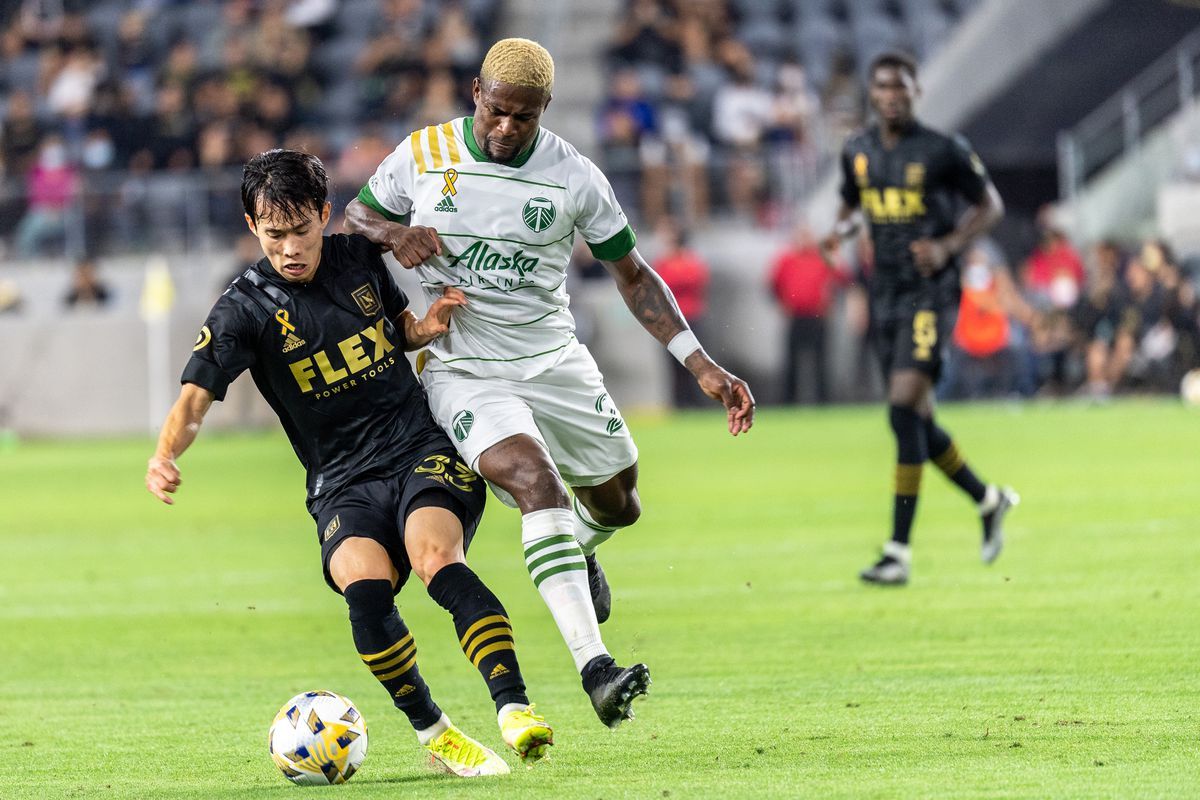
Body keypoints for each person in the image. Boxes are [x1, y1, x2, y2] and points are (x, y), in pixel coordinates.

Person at [345, 38, 755, 727]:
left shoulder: (574, 176)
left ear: (545, 110)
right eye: (498, 112)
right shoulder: (422, 155)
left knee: (621, 504)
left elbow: (633, 275)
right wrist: (391, 234)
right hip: (465, 367)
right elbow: (353, 216)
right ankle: (597, 669)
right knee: (537, 481)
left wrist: (701, 362)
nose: (507, 129)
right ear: (476, 91)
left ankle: (577, 547)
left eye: (524, 118)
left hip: (554, 359)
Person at [144, 150, 552, 777]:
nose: (289, 249)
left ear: (324, 217)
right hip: (341, 481)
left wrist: (424, 328)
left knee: (435, 558)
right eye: (273, 234)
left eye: (301, 230)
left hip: (419, 444)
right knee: (363, 590)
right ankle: (435, 732)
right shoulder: (243, 310)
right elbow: (194, 399)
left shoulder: (359, 259)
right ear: (253, 225)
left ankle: (514, 708)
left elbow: (397, 331)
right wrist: (166, 454)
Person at [821, 52, 1017, 586]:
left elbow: (991, 205)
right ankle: (987, 499)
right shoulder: (857, 150)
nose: (891, 95)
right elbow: (848, 204)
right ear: (872, 92)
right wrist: (838, 232)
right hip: (883, 291)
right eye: (882, 87)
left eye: (901, 87)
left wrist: (950, 245)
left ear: (916, 92)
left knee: (903, 402)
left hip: (930, 292)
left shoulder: (942, 149)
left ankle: (897, 551)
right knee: (910, 419)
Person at [769, 222, 849, 404]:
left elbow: (843, 278)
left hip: (818, 316)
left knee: (821, 362)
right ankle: (788, 401)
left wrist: (831, 301)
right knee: (792, 362)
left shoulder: (822, 257)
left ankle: (823, 401)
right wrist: (783, 303)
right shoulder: (787, 259)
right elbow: (774, 284)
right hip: (796, 316)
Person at [651, 218, 711, 408]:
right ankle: (680, 404)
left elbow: (690, 282)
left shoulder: (687, 261)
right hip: (671, 321)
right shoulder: (667, 262)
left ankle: (697, 403)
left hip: (689, 317)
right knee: (674, 367)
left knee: (694, 363)